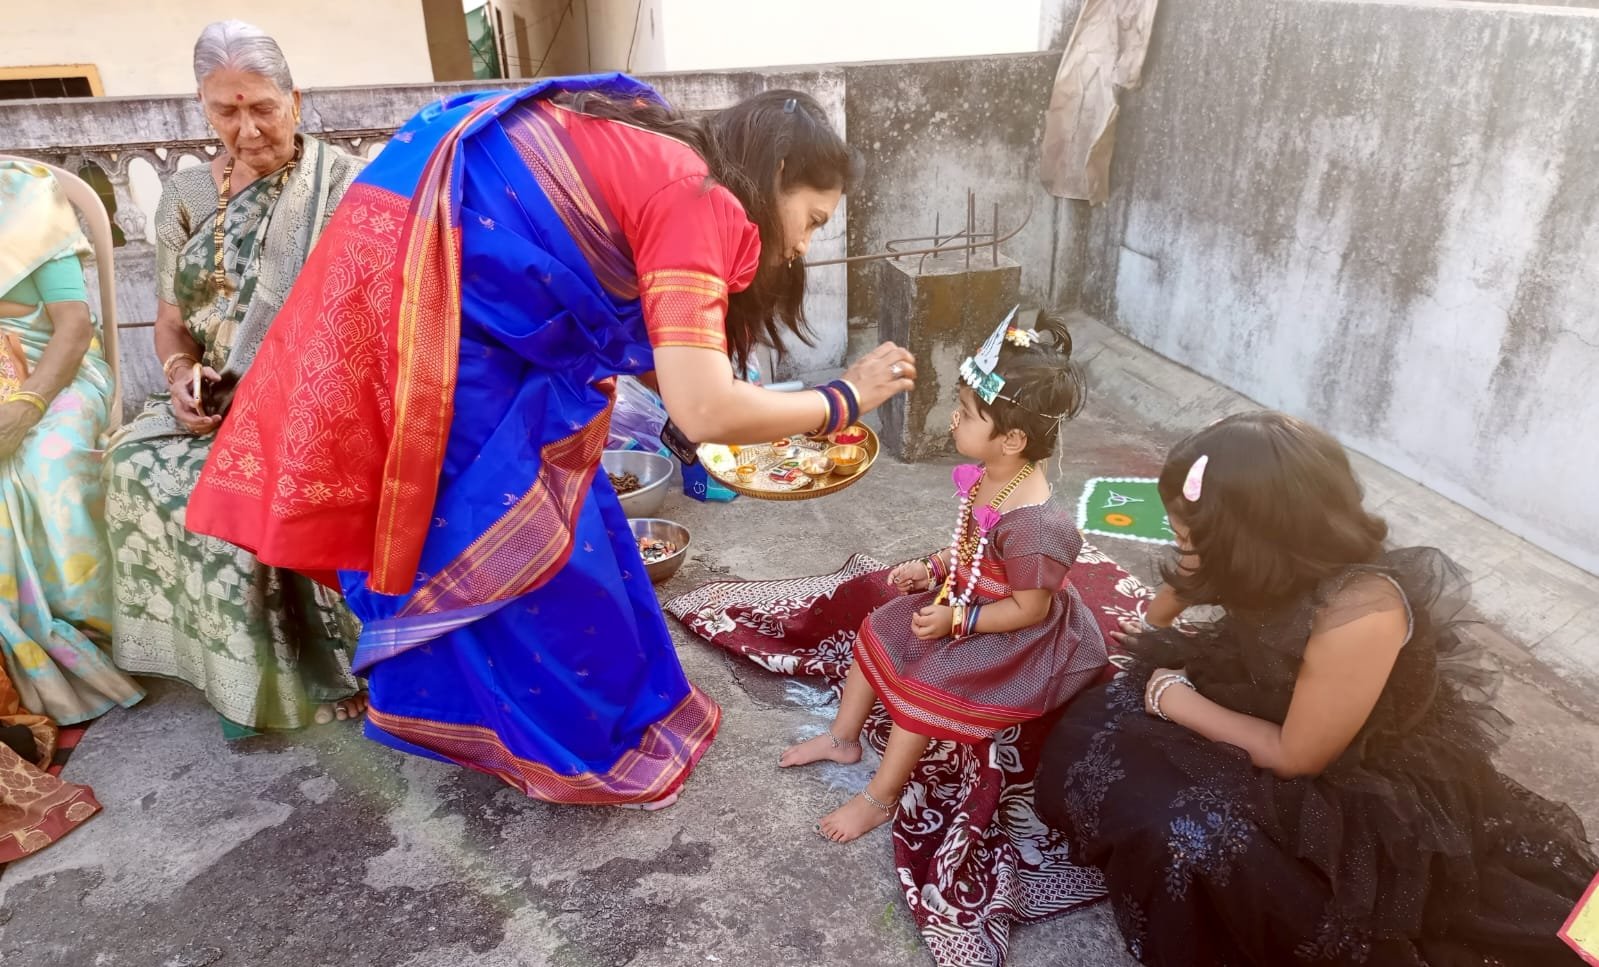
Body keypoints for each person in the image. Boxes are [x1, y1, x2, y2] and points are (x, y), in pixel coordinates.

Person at [184, 74, 916, 809]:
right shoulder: (699, 201)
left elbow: (674, 375)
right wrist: (841, 400)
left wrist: (745, 411)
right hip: (433, 315)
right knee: (505, 531)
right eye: (813, 219)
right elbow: (702, 407)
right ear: (780, 174)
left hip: (429, 276)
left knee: (570, 507)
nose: (800, 248)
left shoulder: (663, 155)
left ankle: (598, 711)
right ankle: (558, 745)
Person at [1035, 411, 1597, 966]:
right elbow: (1175, 598)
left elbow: (1298, 755)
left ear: (1250, 535)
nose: (1182, 548)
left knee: (1193, 838)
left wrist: (1174, 699)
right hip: (1268, 698)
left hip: (1349, 771)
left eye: (1191, 537)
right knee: (1097, 725)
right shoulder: (1262, 557)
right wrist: (1168, 612)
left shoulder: (1362, 609)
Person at [103, 21, 367, 735]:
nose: (245, 129)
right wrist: (182, 373)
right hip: (220, 399)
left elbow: (368, 322)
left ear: (295, 101)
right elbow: (169, 322)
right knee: (133, 462)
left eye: (262, 108)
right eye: (225, 110)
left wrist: (282, 393)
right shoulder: (186, 193)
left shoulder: (345, 188)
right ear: (203, 110)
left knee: (259, 481)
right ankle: (229, 665)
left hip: (321, 399)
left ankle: (327, 663)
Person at [780, 311, 1107, 842]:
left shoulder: (1037, 525)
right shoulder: (990, 476)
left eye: (967, 412)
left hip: (1014, 634)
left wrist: (959, 617)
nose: (954, 419)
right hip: (970, 600)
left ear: (1013, 439)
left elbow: (1031, 609)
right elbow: (970, 548)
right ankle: (843, 738)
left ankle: (878, 798)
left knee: (923, 687)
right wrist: (932, 567)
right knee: (879, 627)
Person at [0, 159, 143, 726]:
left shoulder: (22, 196)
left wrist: (26, 406)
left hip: (57, 372)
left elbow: (75, 328)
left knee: (46, 464)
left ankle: (96, 633)